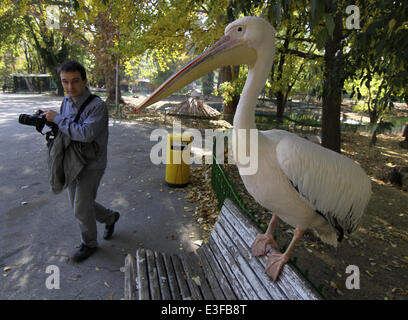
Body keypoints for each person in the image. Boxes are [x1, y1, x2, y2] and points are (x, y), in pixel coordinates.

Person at [41, 61, 120, 262]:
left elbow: (85, 133)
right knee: (81, 205)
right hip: (71, 161)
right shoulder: (66, 101)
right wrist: (47, 120)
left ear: (85, 81)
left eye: (75, 81)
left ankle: (89, 244)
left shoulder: (97, 106)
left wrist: (58, 119)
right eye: (65, 82)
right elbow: (65, 129)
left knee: (80, 207)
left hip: (91, 165)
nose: (70, 87)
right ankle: (110, 217)